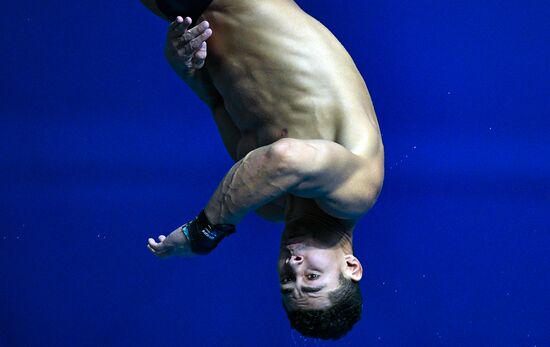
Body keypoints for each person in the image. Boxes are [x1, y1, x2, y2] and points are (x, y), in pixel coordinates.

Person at [141, 0, 384, 340]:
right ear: (351, 267)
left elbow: (217, 102)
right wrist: (205, 231)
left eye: (286, 282)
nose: (294, 266)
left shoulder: (267, 203)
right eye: (312, 279)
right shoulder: (354, 193)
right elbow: (284, 158)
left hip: (185, 8)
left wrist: (183, 58)